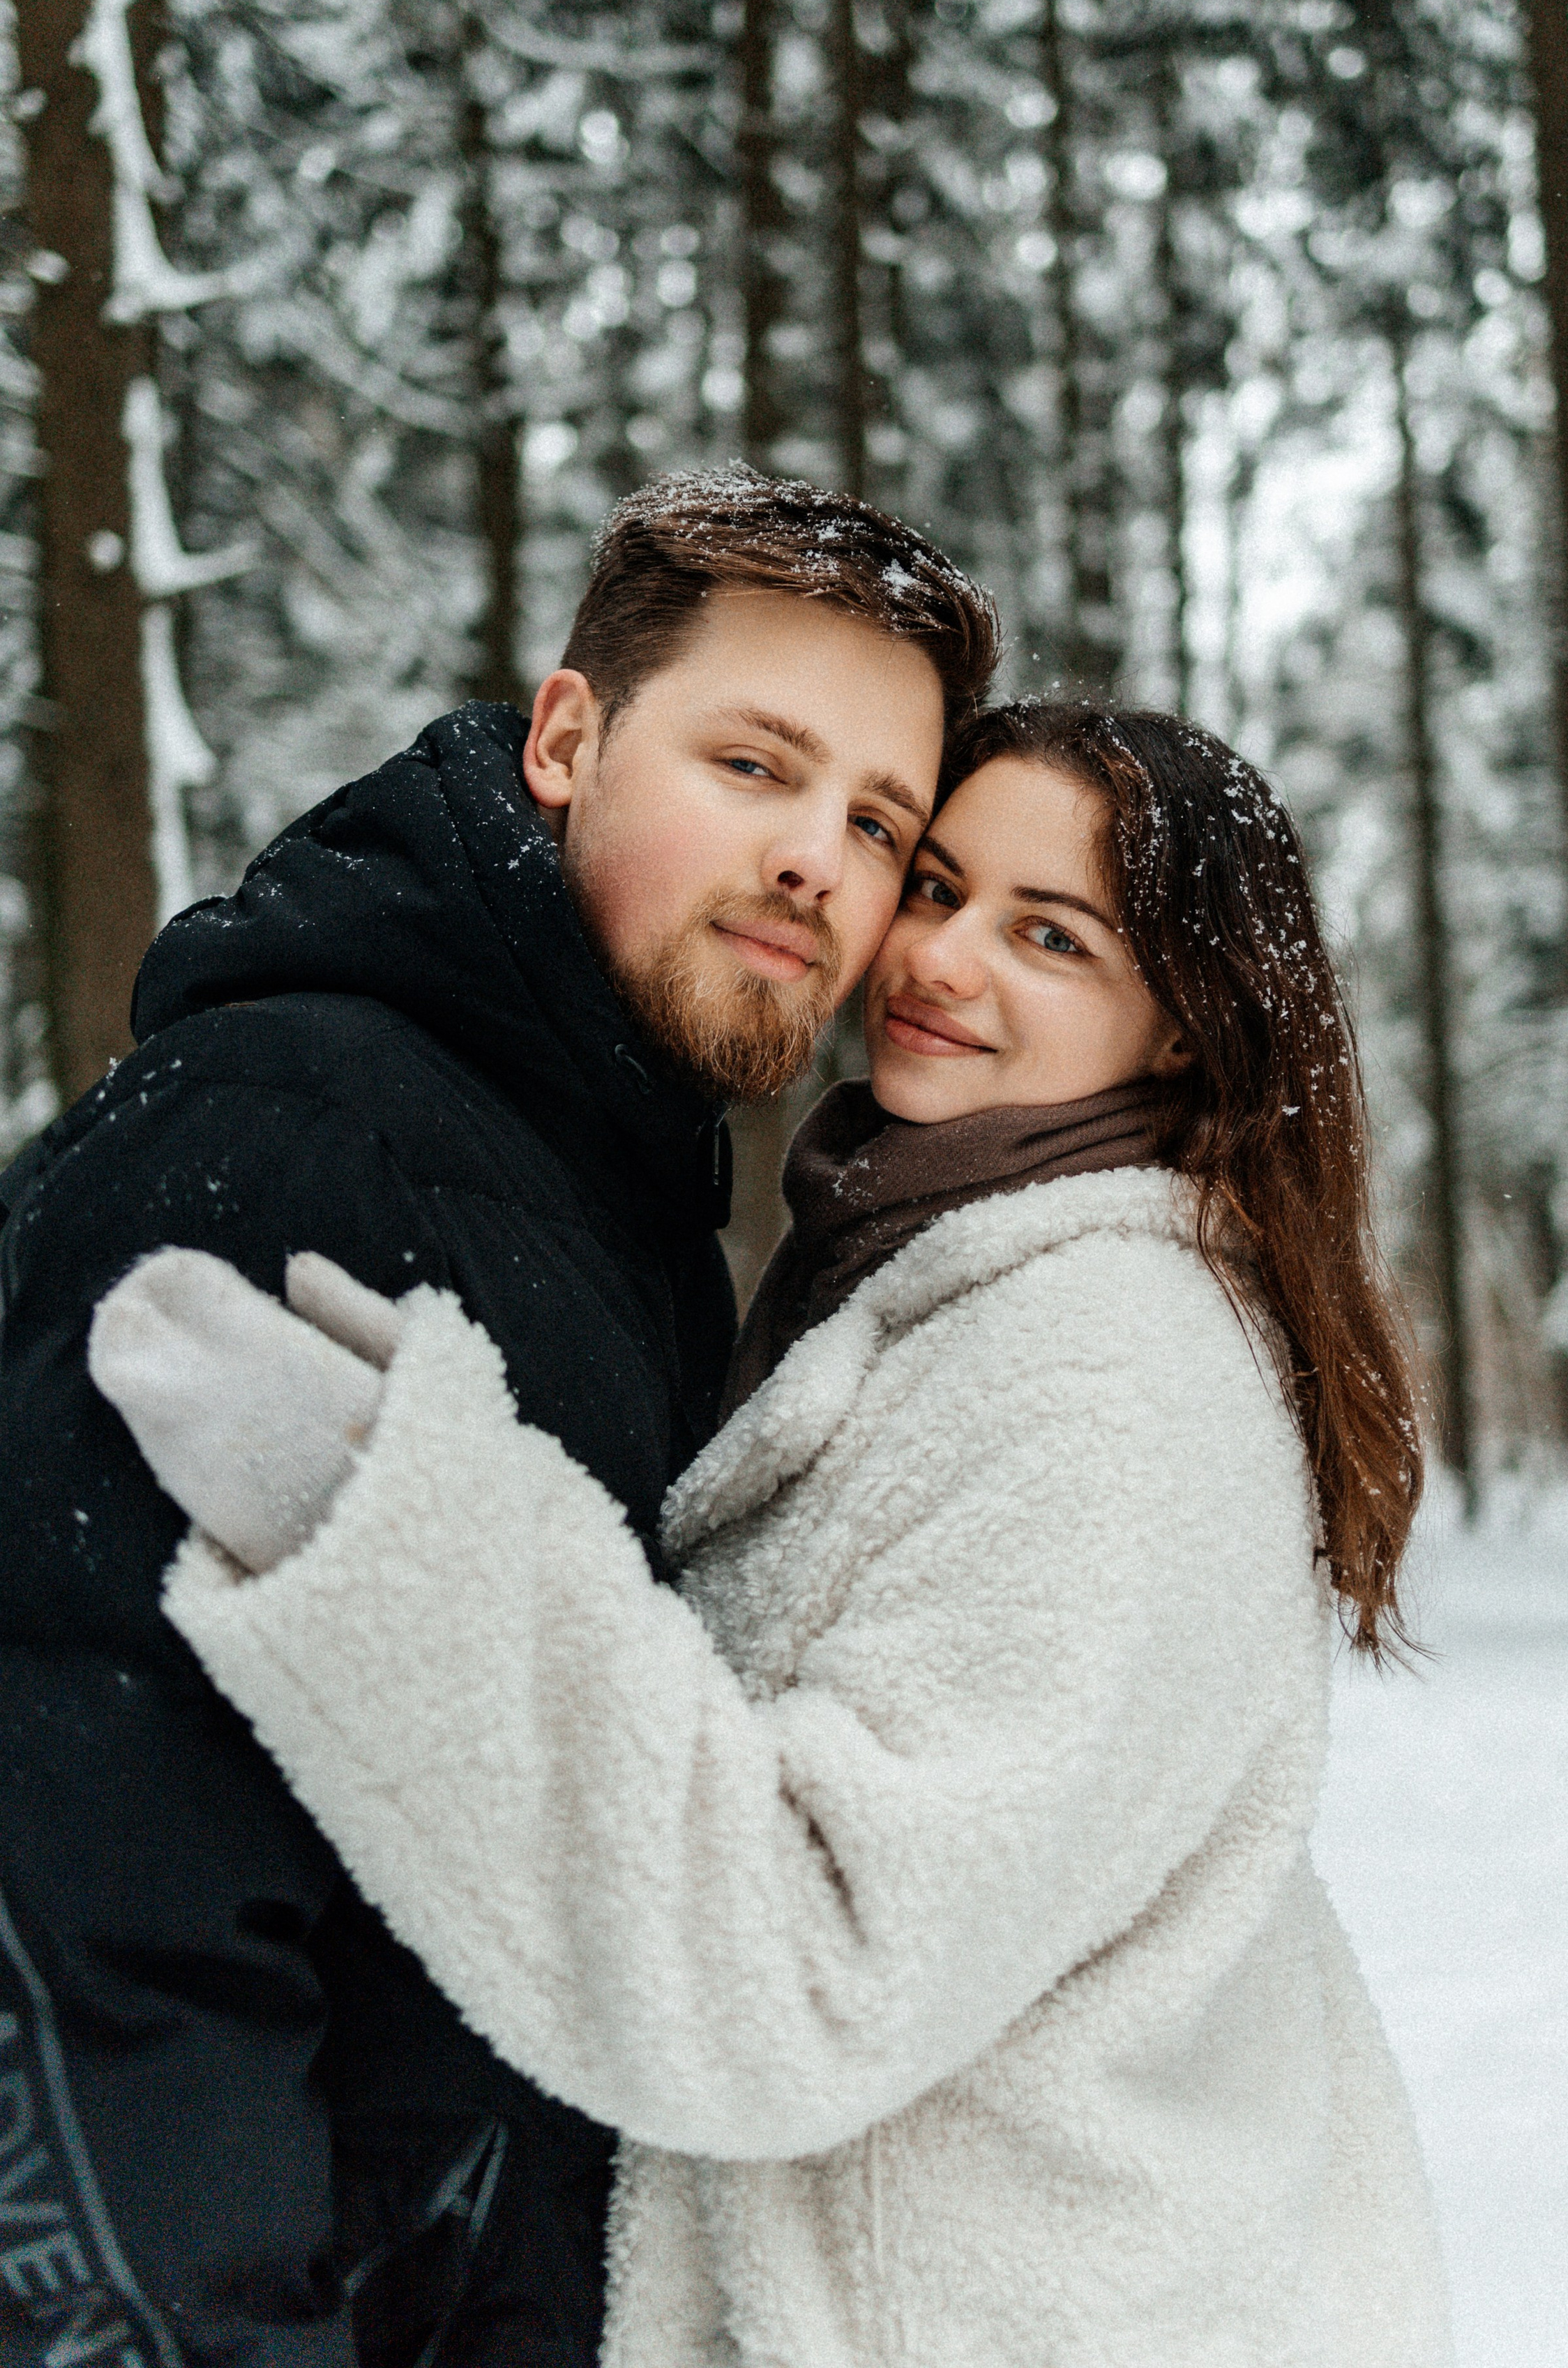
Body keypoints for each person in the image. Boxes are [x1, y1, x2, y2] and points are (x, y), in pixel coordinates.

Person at [93, 701, 1452, 2366]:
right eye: (936, 888)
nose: (939, 959)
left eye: (1047, 935)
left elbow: (814, 1971)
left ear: (1181, 1027)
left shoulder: (1107, 1370)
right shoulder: (938, 1278)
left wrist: (383, 1534)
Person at [0, 468, 997, 2368]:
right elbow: (87, 1929)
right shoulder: (284, 1136)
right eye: (754, 766)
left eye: (878, 822)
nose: (815, 860)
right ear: (565, 740)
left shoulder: (618, 1210)